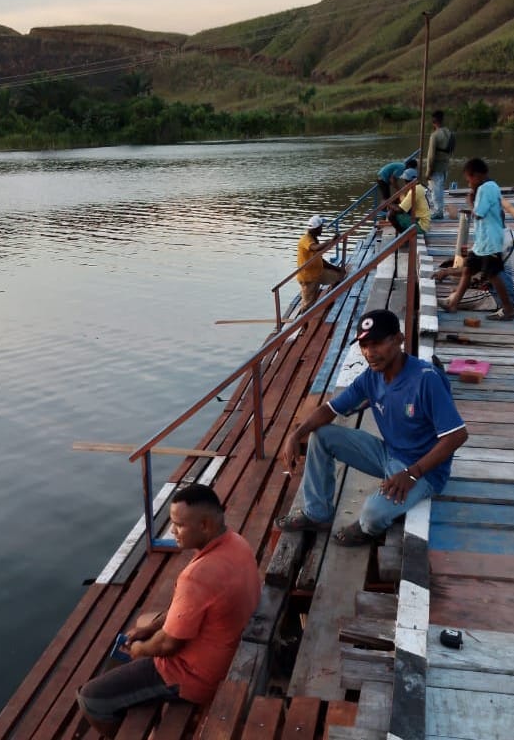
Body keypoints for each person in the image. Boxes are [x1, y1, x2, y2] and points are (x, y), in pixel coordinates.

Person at [76, 484, 260, 737]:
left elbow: (168, 647)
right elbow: (188, 610)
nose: (172, 530)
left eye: (179, 524)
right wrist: (152, 629)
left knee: (91, 699)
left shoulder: (197, 576)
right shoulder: (237, 543)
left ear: (205, 525)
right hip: (233, 649)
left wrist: (140, 650)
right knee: (144, 622)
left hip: (197, 676)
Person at [274, 309, 467, 545]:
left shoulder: (426, 379)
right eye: (364, 345)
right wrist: (296, 434)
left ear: (398, 339)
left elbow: (457, 435)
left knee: (371, 516)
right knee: (322, 435)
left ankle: (372, 524)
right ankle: (318, 514)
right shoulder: (371, 377)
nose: (369, 353)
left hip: (423, 471)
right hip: (388, 453)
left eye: (377, 343)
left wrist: (411, 474)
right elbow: (330, 409)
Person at [441, 158, 514, 321]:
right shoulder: (493, 186)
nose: (469, 183)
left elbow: (479, 213)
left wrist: (470, 201)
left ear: (476, 176)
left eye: (469, 179)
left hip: (490, 241)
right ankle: (454, 304)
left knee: (493, 274)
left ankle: (508, 309)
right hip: (483, 242)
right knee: (468, 270)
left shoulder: (484, 189)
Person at [435, 227, 514, 311]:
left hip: (505, 297)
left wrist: (447, 271)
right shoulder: (510, 233)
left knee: (452, 297)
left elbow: (471, 268)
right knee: (459, 284)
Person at [297, 214, 345, 310]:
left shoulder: (315, 239)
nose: (322, 229)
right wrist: (330, 241)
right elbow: (314, 247)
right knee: (307, 306)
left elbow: (319, 259)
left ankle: (327, 302)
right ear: (316, 228)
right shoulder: (306, 239)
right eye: (321, 227)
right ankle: (304, 323)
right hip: (309, 278)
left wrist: (337, 268)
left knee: (339, 276)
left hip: (319, 272)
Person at [425, 111, 454, 220]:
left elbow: (431, 156)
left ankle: (438, 212)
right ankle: (439, 210)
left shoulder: (435, 136)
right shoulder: (449, 133)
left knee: (435, 192)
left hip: (436, 168)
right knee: (440, 190)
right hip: (445, 166)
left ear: (433, 122)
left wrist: (428, 172)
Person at [385, 167, 431, 235]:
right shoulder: (419, 187)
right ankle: (405, 235)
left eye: (405, 181)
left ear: (408, 181)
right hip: (423, 221)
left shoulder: (414, 190)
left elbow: (401, 209)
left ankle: (405, 236)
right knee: (394, 208)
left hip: (421, 226)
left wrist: (388, 204)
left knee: (390, 214)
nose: (404, 183)